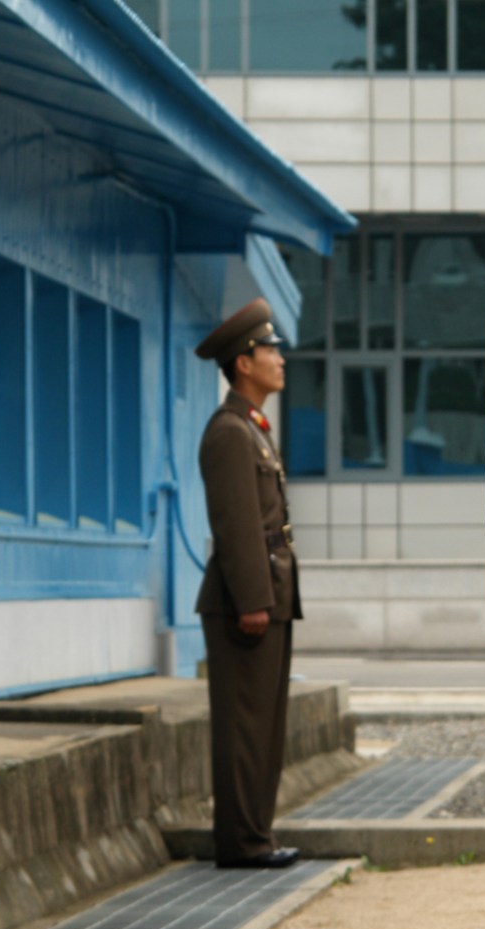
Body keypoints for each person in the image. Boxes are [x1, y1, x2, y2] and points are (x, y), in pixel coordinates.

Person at [194, 297, 302, 869]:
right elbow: (236, 526)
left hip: (268, 599)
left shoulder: (251, 427)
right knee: (244, 728)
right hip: (249, 604)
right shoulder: (230, 432)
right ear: (243, 362)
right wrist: (255, 601)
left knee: (263, 728)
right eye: (270, 350)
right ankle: (242, 842)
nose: (280, 360)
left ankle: (255, 835)